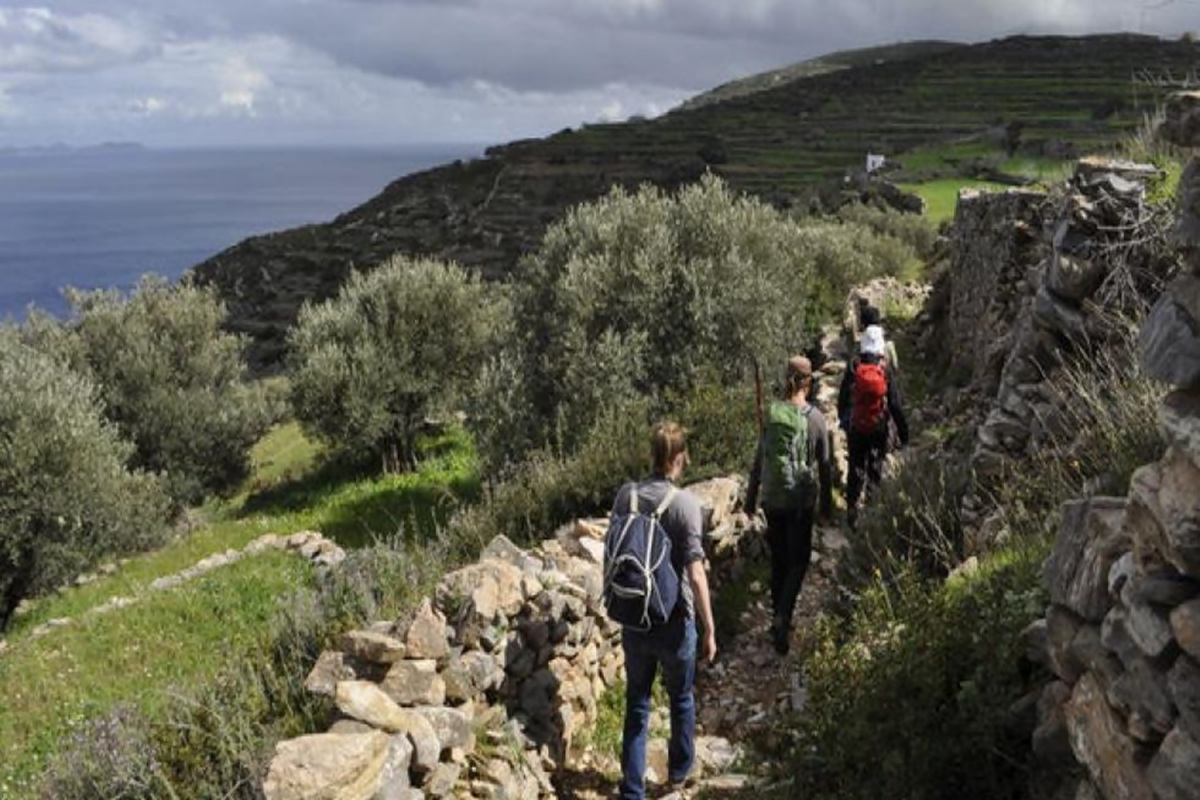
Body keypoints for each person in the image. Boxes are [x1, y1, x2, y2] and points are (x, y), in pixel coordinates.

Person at [613, 421, 717, 800]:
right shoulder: (686, 506)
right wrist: (709, 627)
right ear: (679, 458)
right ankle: (678, 774)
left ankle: (632, 789)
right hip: (674, 621)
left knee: (637, 702)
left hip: (634, 619)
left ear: (652, 455)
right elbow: (695, 572)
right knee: (681, 697)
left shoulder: (626, 496)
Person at [745, 356, 833, 656]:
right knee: (800, 560)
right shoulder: (815, 418)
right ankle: (783, 616)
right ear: (808, 382)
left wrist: (750, 498)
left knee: (780, 559)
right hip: (800, 501)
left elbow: (760, 461)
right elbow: (825, 465)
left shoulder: (772, 414)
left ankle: (776, 619)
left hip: (772, 499)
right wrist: (827, 507)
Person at [837, 324, 909, 529]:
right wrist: (904, 434)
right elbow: (894, 404)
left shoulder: (853, 367)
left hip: (856, 427)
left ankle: (851, 509)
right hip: (878, 427)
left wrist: (843, 420)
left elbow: (843, 398)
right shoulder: (884, 370)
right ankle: (871, 507)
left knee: (855, 466)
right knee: (875, 466)